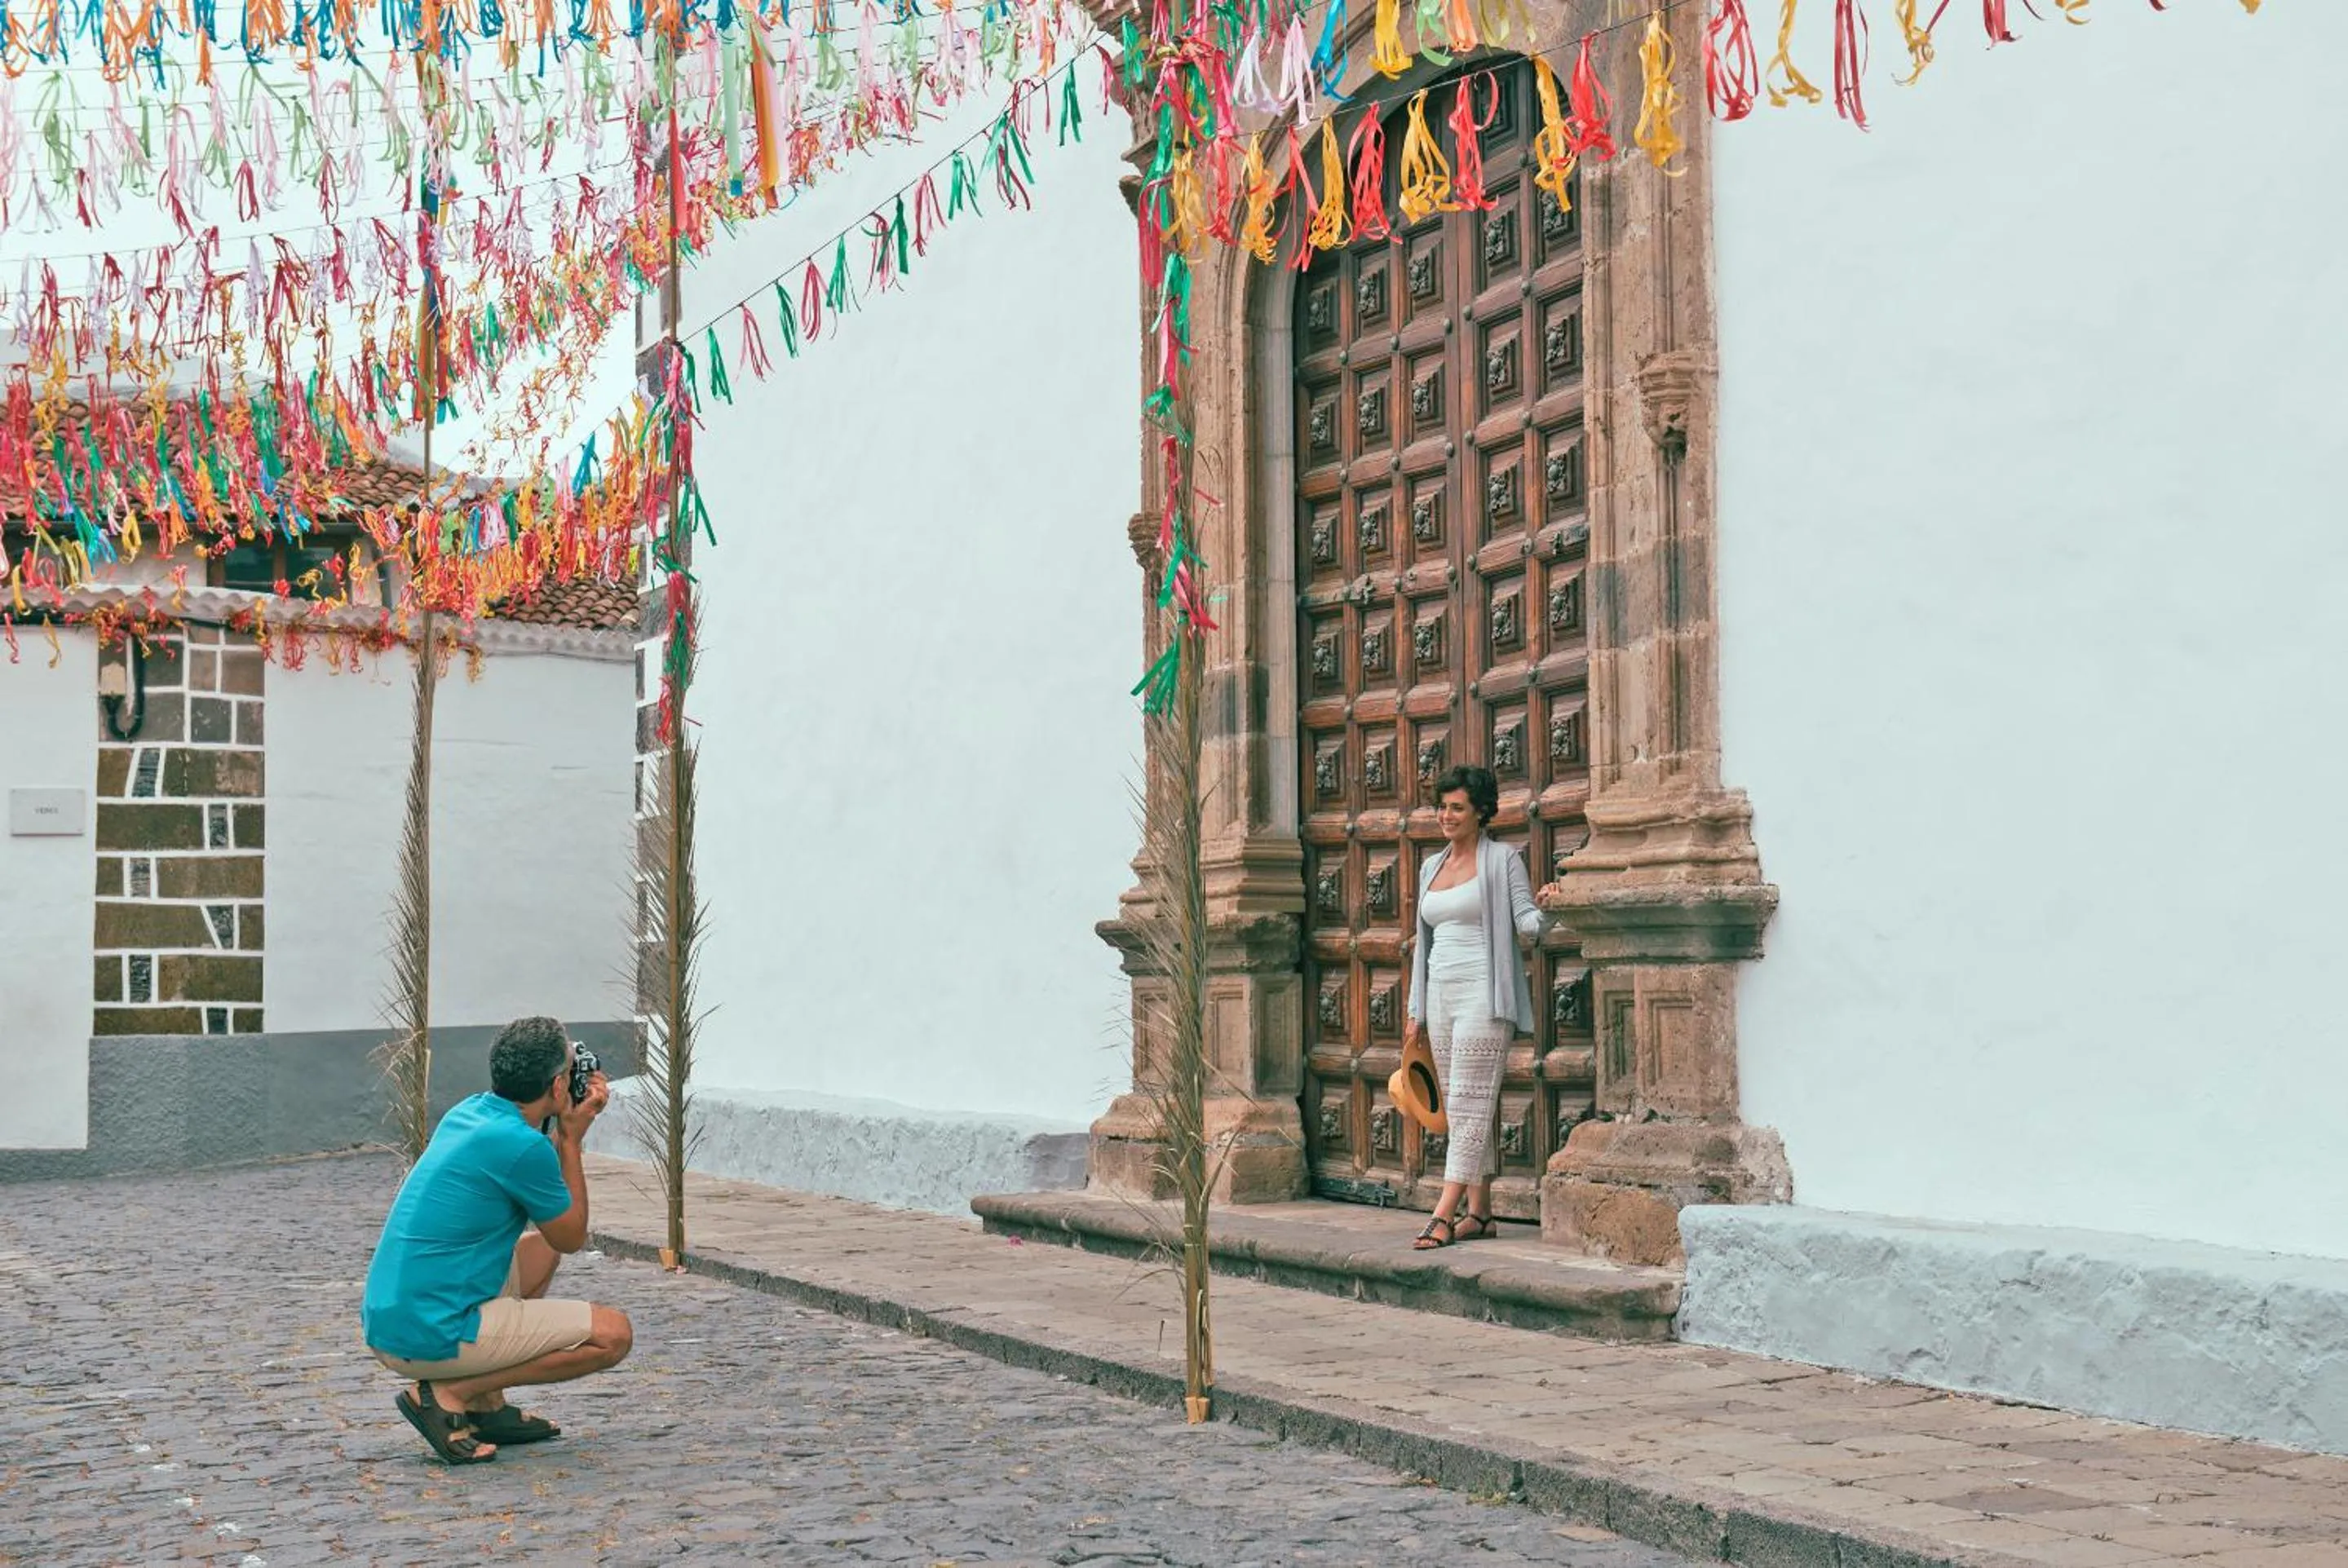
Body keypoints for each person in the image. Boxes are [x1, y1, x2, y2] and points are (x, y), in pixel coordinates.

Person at [360, 1016, 634, 1464]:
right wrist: (570, 1140)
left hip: (394, 1319)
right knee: (612, 1335)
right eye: (571, 1069)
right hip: (431, 1333)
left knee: (540, 1245)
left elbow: (552, 1230)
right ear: (558, 1085)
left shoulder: (470, 1112)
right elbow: (571, 1236)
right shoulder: (524, 1146)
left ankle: (486, 1409)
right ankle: (451, 1393)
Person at [1406, 766, 1550, 1250]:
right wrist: (1416, 1010)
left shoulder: (1502, 860)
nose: (1446, 816)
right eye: (1442, 807)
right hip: (1440, 994)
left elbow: (1527, 922)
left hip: (1484, 995)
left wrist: (1551, 907)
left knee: (1469, 1103)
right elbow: (1422, 943)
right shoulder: (1431, 867)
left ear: (1481, 812)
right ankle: (1481, 1214)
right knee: (1462, 1103)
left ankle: (1442, 1214)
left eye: (1457, 808)